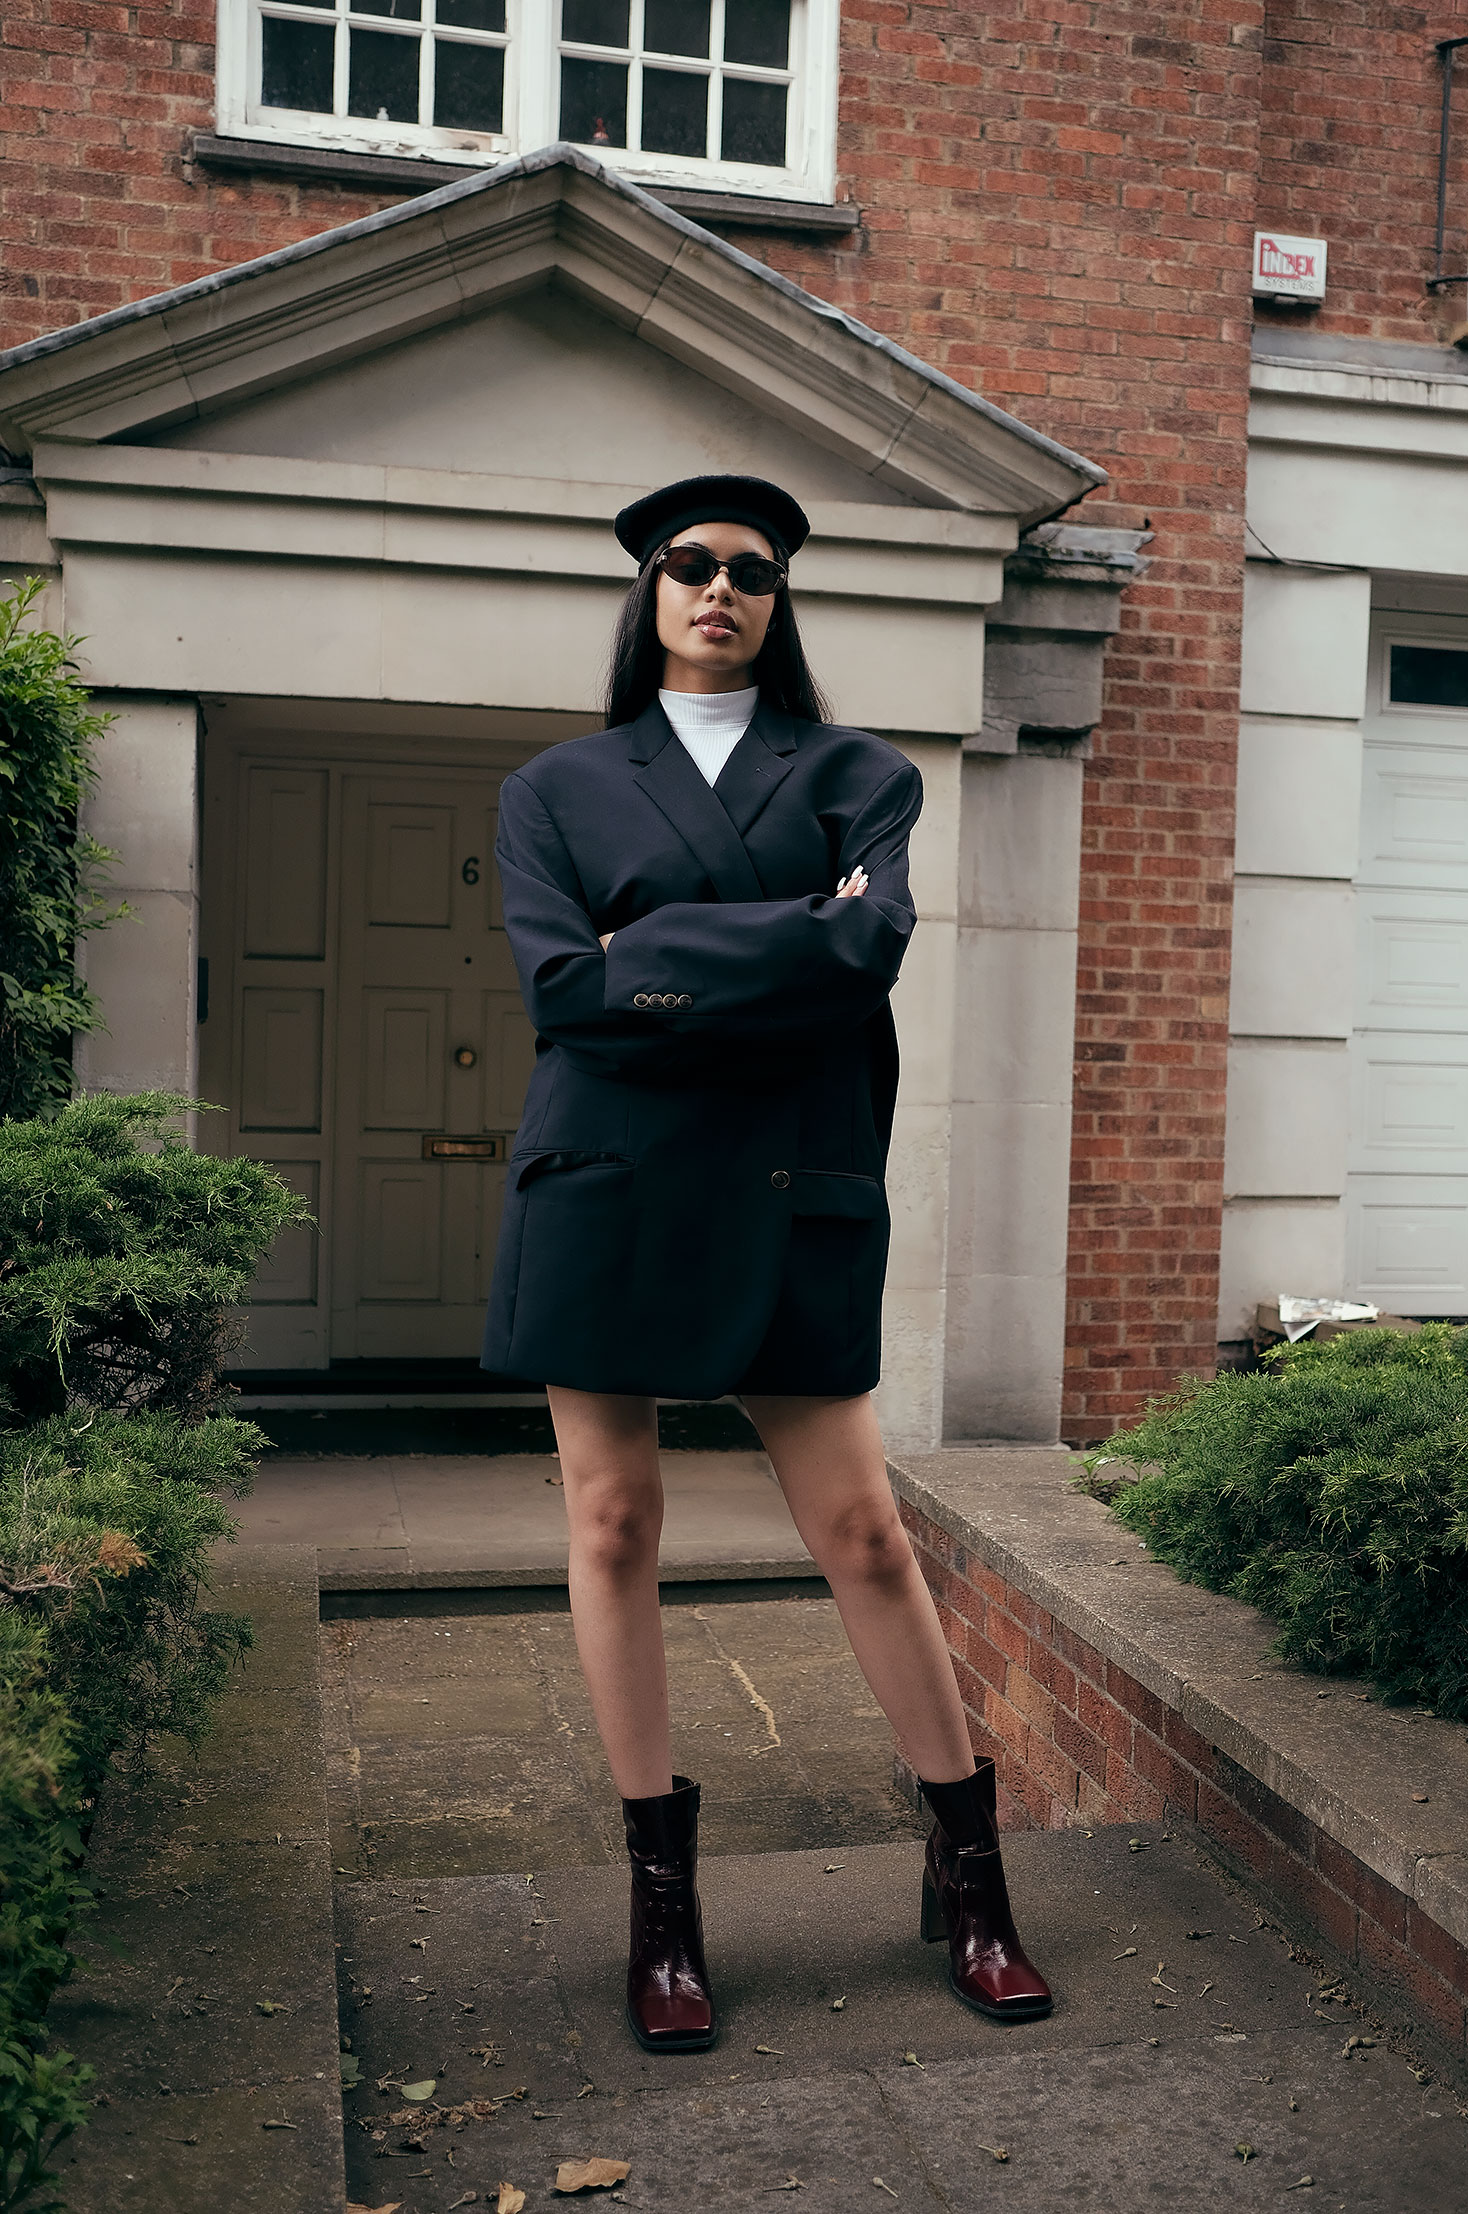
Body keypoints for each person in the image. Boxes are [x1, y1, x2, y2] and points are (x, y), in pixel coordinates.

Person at [482, 474, 1051, 2052]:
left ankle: (972, 1872)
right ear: (650, 591)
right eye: (689, 563)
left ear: (781, 596)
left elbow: (868, 948)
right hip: (601, 1188)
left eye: (750, 567)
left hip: (796, 1182)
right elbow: (561, 991)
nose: (719, 586)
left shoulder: (861, 773)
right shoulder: (554, 788)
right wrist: (787, 938)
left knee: (864, 1529)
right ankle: (663, 1913)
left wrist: (652, 954)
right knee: (613, 1523)